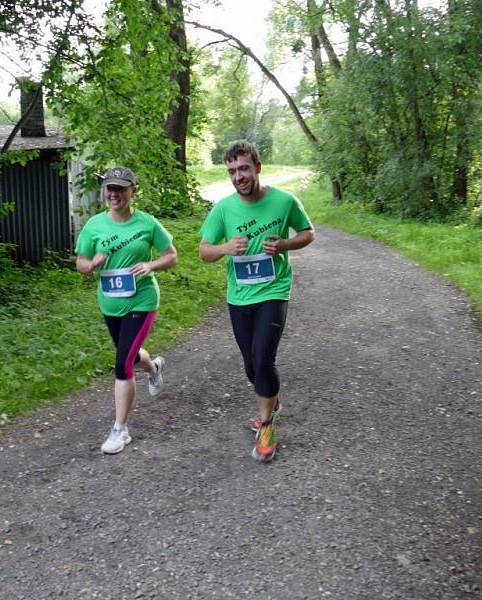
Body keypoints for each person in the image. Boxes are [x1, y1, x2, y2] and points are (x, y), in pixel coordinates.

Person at [199, 141, 315, 462]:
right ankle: (271, 396)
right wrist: (225, 249)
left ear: (258, 168)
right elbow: (204, 250)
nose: (239, 176)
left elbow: (308, 233)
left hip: (274, 290)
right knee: (251, 365)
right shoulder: (223, 209)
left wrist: (285, 244)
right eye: (232, 171)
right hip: (239, 297)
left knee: (262, 358)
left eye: (244, 168)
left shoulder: (283, 201)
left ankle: (266, 425)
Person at [75, 166, 178, 454]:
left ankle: (120, 430)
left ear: (133, 190)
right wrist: (92, 264)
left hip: (142, 301)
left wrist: (151, 265)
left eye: (120, 188)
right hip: (110, 303)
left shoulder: (147, 223)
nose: (113, 193)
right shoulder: (94, 226)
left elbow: (171, 256)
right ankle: (154, 367)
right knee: (128, 353)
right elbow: (80, 264)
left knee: (122, 364)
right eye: (109, 188)